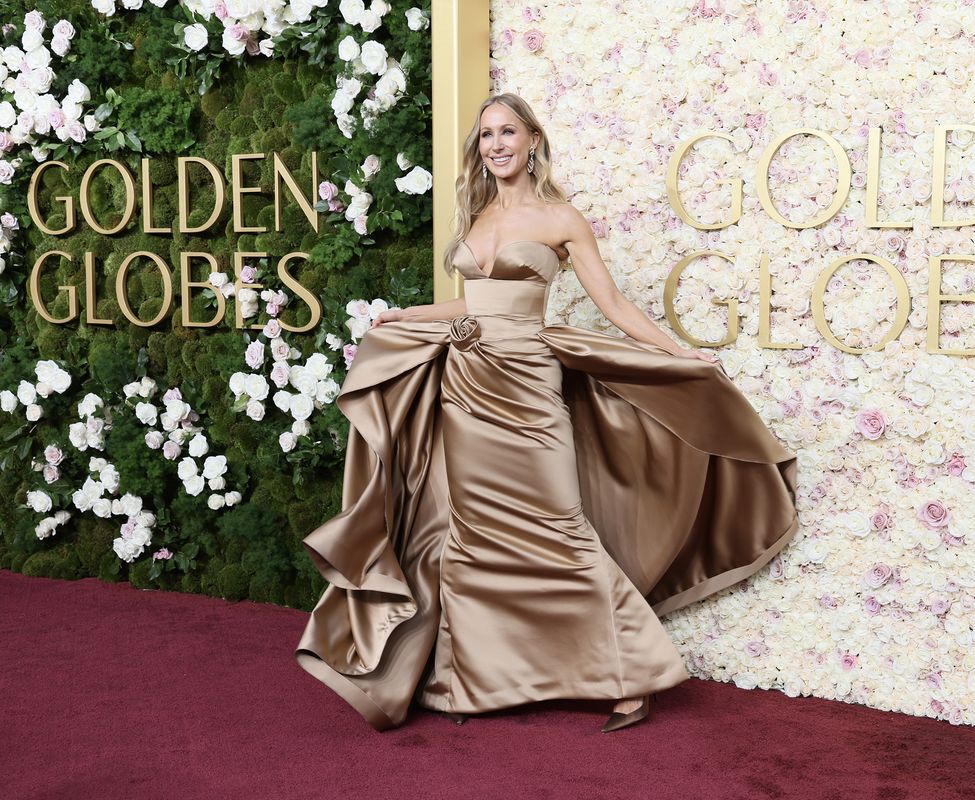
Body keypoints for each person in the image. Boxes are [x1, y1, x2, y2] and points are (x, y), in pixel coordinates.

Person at [294, 92, 799, 733]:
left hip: (530, 391)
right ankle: (471, 683)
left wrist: (680, 355)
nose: (497, 144)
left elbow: (613, 304)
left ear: (533, 140)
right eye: (486, 136)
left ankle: (631, 677)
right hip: (466, 390)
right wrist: (406, 318)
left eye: (508, 132)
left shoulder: (562, 219)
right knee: (474, 539)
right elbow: (471, 307)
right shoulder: (473, 218)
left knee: (560, 527)